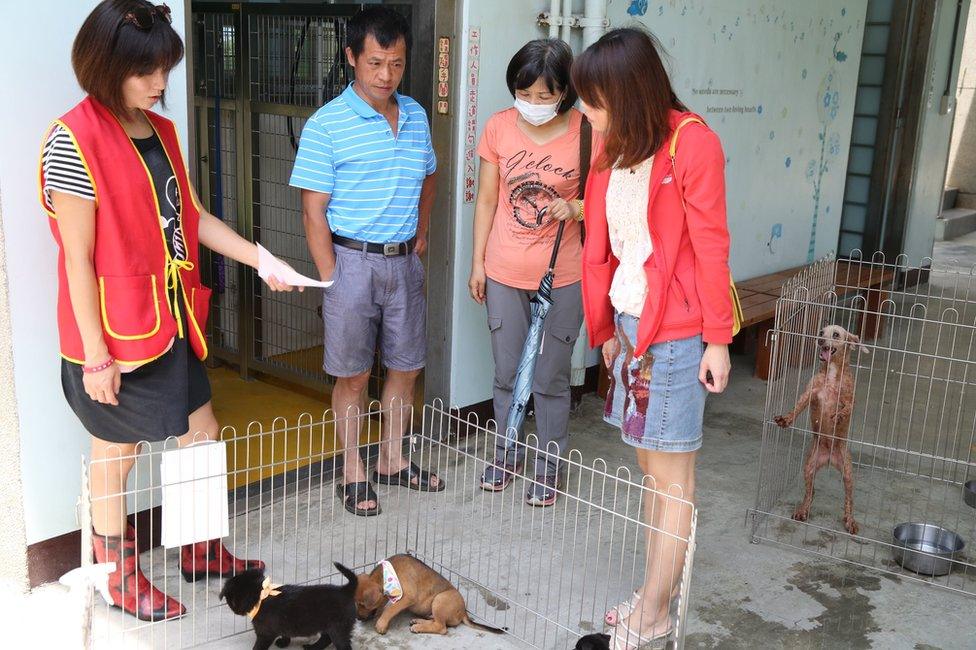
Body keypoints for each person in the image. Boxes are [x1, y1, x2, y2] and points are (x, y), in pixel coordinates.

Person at [41, 0, 296, 621]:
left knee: (201, 433)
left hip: (169, 317)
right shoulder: (70, 140)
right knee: (116, 456)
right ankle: (116, 576)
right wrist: (97, 357)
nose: (160, 85)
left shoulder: (162, 132)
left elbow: (193, 216)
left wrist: (260, 259)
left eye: (164, 70)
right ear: (106, 67)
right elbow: (77, 259)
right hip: (111, 335)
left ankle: (200, 548)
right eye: (147, 72)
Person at [571, 28, 733, 648]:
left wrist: (718, 340)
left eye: (595, 99)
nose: (586, 112)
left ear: (630, 93)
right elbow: (604, 251)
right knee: (648, 469)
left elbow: (711, 248)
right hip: (633, 329)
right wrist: (606, 329)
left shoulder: (693, 145)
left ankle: (657, 612)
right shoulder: (614, 147)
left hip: (678, 331)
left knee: (673, 480)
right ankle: (653, 594)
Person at [289, 6, 441, 517]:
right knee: (352, 375)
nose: (386, 75)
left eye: (396, 64)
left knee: (406, 367)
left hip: (403, 265)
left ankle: (393, 459)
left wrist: (419, 233)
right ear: (351, 56)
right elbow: (313, 212)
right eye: (375, 63)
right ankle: (353, 469)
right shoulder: (326, 125)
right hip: (350, 262)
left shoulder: (416, 115)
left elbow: (429, 177)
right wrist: (331, 276)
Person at [469, 39, 586, 506]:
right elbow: (488, 199)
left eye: (545, 95)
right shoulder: (498, 127)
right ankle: (506, 454)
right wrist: (477, 263)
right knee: (505, 373)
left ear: (565, 93)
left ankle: (549, 465)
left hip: (565, 276)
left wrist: (574, 205)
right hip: (503, 271)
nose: (534, 103)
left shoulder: (586, 131)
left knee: (550, 378)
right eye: (526, 92)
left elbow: (607, 198)